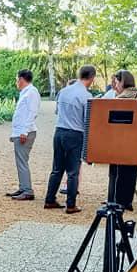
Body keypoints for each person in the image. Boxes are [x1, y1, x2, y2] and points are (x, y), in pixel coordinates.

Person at [44, 65, 95, 214]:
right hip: (75, 133)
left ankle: (49, 199)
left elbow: (57, 111)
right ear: (91, 78)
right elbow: (87, 120)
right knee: (73, 171)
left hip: (59, 131)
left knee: (56, 169)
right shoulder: (86, 96)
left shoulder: (63, 92)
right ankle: (71, 204)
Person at [107, 69, 137, 211]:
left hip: (120, 141)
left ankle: (116, 200)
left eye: (116, 82)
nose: (115, 85)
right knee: (131, 172)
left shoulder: (121, 98)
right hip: (136, 141)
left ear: (122, 82)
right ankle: (127, 200)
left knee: (117, 173)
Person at [7, 69, 40, 201]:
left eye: (17, 79)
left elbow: (32, 113)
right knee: (20, 161)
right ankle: (23, 187)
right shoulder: (26, 92)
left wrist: (24, 131)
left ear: (21, 79)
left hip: (25, 132)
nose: (16, 82)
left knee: (22, 161)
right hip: (21, 132)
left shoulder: (31, 92)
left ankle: (27, 190)